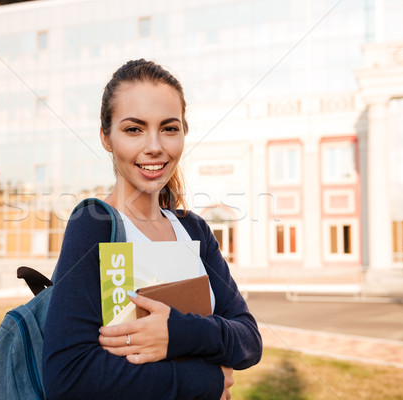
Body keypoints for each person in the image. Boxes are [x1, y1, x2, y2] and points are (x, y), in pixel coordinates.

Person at [42, 59, 262, 400]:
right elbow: (69, 377)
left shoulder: (195, 231)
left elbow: (249, 339)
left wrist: (179, 332)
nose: (155, 146)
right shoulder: (94, 226)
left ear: (184, 133)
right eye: (134, 129)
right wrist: (205, 379)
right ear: (106, 137)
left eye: (169, 128)